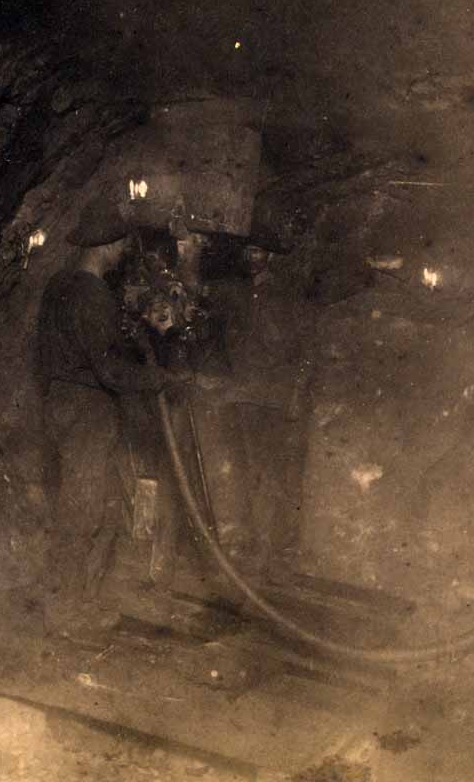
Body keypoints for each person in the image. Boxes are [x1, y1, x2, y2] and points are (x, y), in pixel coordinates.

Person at [34, 195, 181, 638]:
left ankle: (78, 598)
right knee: (84, 512)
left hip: (58, 401)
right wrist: (157, 379)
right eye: (119, 245)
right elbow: (109, 370)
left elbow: (72, 346)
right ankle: (66, 611)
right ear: (106, 246)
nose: (121, 253)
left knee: (82, 505)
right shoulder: (94, 294)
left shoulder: (59, 285)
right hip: (87, 409)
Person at [191, 235, 312, 588]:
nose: (250, 256)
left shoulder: (287, 295)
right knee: (255, 478)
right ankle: (264, 557)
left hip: (275, 401)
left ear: (271, 255)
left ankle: (277, 559)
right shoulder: (241, 293)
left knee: (277, 482)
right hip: (249, 399)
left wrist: (295, 394)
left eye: (257, 250)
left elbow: (304, 350)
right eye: (247, 250)